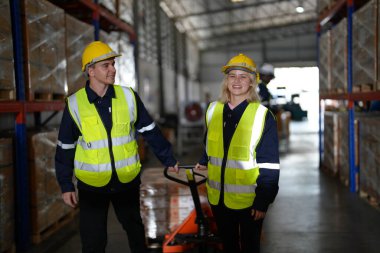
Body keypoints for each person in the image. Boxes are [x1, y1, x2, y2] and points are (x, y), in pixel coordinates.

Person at [55, 41, 179, 253]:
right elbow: (66, 146)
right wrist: (66, 184)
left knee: (135, 231)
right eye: (106, 65)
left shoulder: (128, 96)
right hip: (92, 185)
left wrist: (169, 159)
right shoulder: (75, 104)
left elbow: (150, 130)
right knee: (93, 242)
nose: (113, 69)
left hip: (126, 180)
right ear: (90, 70)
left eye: (113, 64)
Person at [195, 53, 280, 253]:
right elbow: (210, 143)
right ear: (226, 81)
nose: (237, 81)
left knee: (250, 247)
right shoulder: (213, 110)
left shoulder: (262, 115)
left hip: (249, 200)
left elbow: (269, 164)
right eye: (232, 76)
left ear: (252, 83)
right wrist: (203, 161)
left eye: (243, 76)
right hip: (218, 197)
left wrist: (263, 200)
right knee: (228, 246)